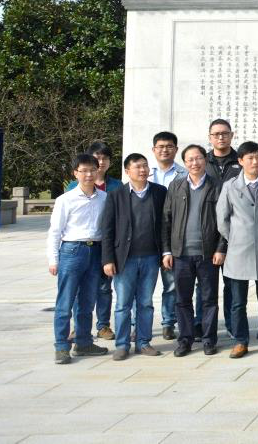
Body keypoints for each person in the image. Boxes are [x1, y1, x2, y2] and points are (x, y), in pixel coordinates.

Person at [217, 141, 258, 358]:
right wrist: (235, 238)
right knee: (238, 302)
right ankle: (240, 341)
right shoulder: (230, 186)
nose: (255, 162)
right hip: (238, 251)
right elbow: (222, 218)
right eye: (250, 158)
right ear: (240, 161)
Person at [102, 153, 168, 360]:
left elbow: (165, 225)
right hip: (125, 259)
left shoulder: (159, 192)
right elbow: (107, 229)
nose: (142, 170)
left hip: (151, 257)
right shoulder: (116, 195)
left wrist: (166, 252)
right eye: (137, 166)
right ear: (127, 171)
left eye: (145, 166)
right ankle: (122, 345)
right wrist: (107, 259)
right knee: (123, 304)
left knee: (146, 303)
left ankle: (143, 342)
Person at [162, 145, 224, 356]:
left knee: (209, 299)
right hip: (181, 254)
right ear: (185, 163)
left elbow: (225, 221)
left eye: (198, 158)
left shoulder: (217, 186)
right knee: (182, 300)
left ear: (205, 160)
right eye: (190, 159)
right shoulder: (176, 186)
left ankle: (208, 340)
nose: (194, 163)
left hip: (208, 254)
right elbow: (166, 220)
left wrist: (220, 248)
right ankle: (185, 340)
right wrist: (167, 251)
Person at [49, 153, 109, 364]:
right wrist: (53, 259)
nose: (89, 175)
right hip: (72, 251)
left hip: (95, 251)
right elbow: (55, 231)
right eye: (83, 171)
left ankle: (83, 342)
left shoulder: (104, 198)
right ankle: (61, 346)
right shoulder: (65, 199)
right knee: (65, 302)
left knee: (87, 301)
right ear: (75, 173)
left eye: (92, 170)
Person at [64, 141, 121, 343]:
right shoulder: (73, 187)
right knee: (79, 289)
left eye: (105, 158)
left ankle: (103, 325)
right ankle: (78, 328)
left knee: (105, 287)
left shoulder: (116, 186)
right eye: (97, 157)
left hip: (105, 245)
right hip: (80, 246)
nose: (101, 162)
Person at [205, 119, 241, 339]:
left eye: (225, 133)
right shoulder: (203, 161)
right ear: (210, 137)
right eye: (216, 134)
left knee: (232, 285)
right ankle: (204, 326)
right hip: (207, 233)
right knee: (206, 287)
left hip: (233, 235)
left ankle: (232, 324)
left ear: (231, 135)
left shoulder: (241, 161)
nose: (221, 137)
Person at [150, 131, 185, 342]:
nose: (165, 150)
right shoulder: (144, 172)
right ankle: (137, 324)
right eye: (161, 146)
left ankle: (168, 323)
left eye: (169, 146)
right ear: (154, 149)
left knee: (171, 284)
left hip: (172, 235)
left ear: (176, 149)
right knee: (142, 286)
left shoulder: (183, 174)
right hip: (146, 237)